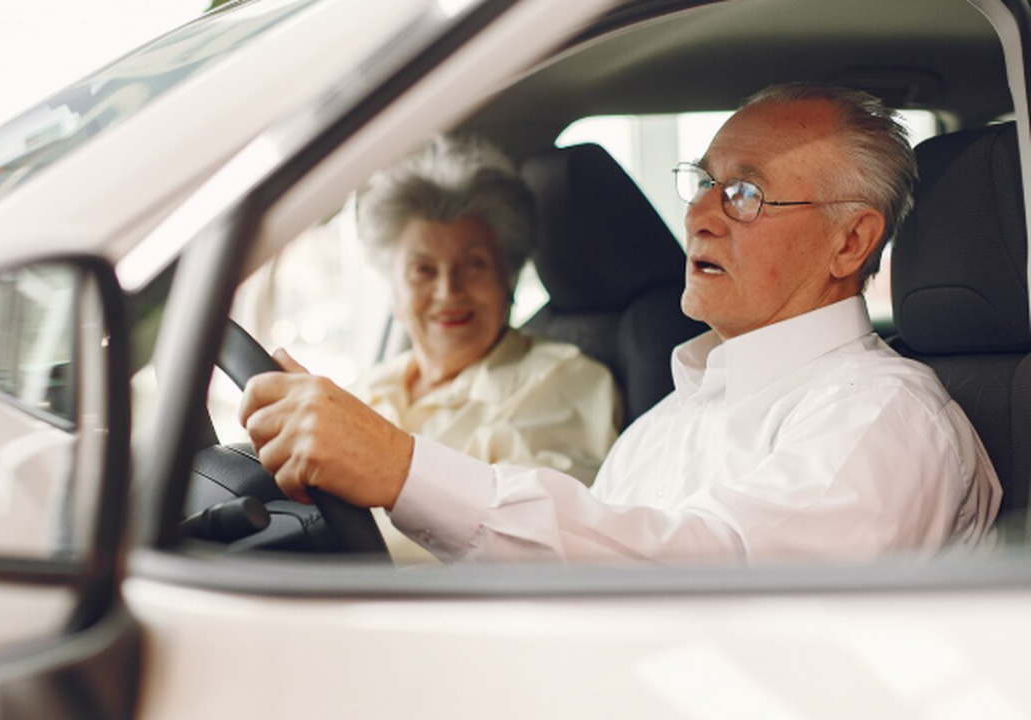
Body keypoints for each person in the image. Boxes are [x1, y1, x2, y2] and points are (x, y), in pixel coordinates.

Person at [241, 83, 1002, 564]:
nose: (700, 214)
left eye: (744, 194)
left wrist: (402, 470)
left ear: (851, 241)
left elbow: (716, 578)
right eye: (703, 182)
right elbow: (575, 576)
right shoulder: (666, 423)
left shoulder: (885, 417)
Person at [349, 135, 621, 562]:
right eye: (423, 269)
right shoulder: (371, 387)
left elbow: (537, 545)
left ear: (508, 280)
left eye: (473, 264)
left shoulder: (562, 382)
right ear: (394, 291)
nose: (447, 290)